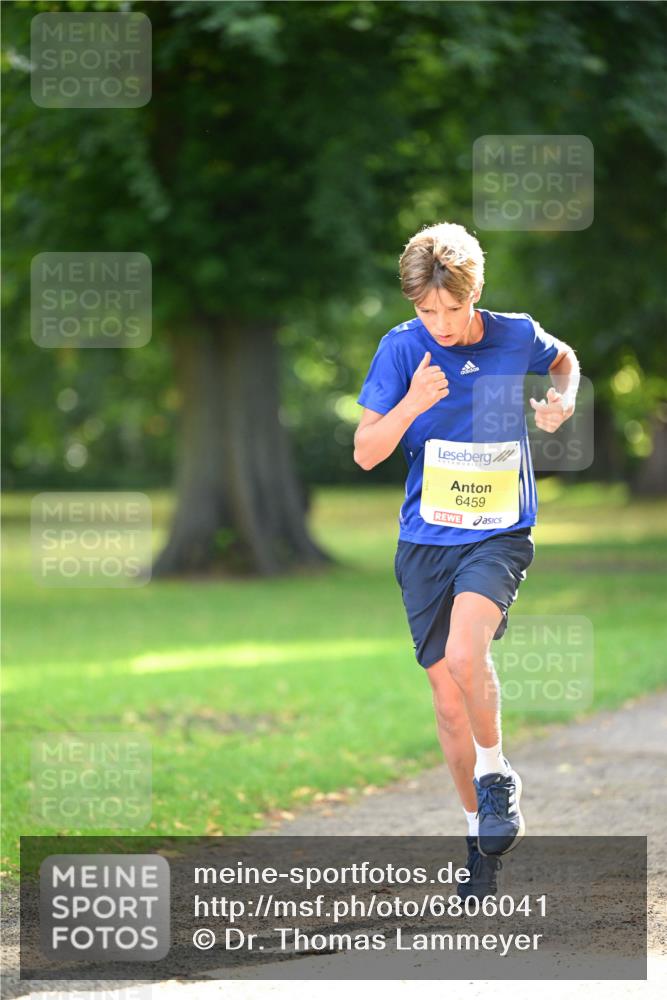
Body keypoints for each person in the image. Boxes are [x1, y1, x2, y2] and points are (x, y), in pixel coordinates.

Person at [353, 222, 580, 899]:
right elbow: (366, 451)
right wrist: (412, 404)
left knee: (464, 654)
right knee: (447, 703)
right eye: (427, 311)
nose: (441, 324)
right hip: (424, 542)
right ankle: (477, 839)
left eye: (451, 309)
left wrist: (561, 399)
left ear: (471, 294)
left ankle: (494, 771)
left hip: (498, 533)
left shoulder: (513, 335)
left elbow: (563, 358)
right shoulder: (400, 350)